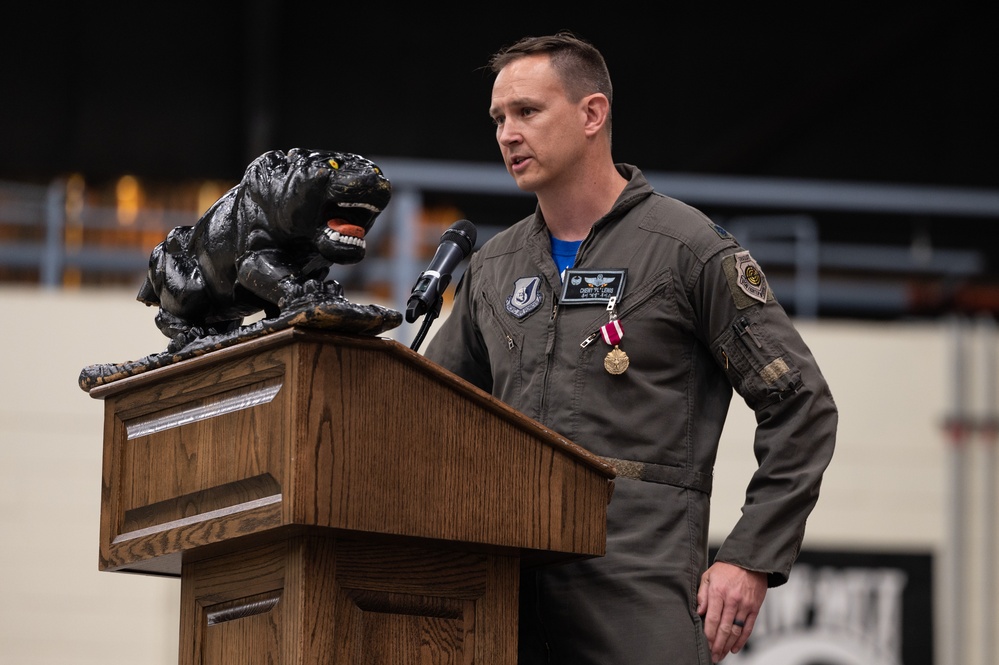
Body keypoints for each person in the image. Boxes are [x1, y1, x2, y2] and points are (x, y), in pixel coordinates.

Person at [422, 31, 837, 664]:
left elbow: (801, 404)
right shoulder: (494, 267)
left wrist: (749, 558)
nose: (507, 133)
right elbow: (431, 410)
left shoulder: (685, 249)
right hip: (501, 595)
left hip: (635, 594)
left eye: (527, 112)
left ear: (592, 114)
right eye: (499, 118)